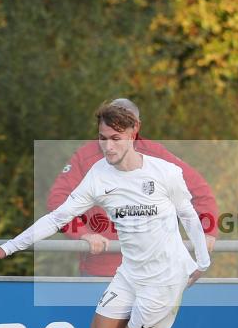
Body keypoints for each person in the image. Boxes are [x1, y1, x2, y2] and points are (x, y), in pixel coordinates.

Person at [0, 102, 211, 328]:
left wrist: (202, 260)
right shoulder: (98, 175)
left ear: (133, 133)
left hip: (165, 278)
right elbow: (56, 216)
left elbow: (189, 214)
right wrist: (6, 248)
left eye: (115, 138)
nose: (108, 145)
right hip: (129, 272)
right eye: (102, 138)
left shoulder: (165, 172)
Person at [46, 98, 218, 276]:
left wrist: (207, 231)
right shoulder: (86, 156)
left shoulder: (156, 154)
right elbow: (58, 199)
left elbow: (200, 191)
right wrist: (84, 234)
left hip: (153, 270)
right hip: (102, 270)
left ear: (136, 127)